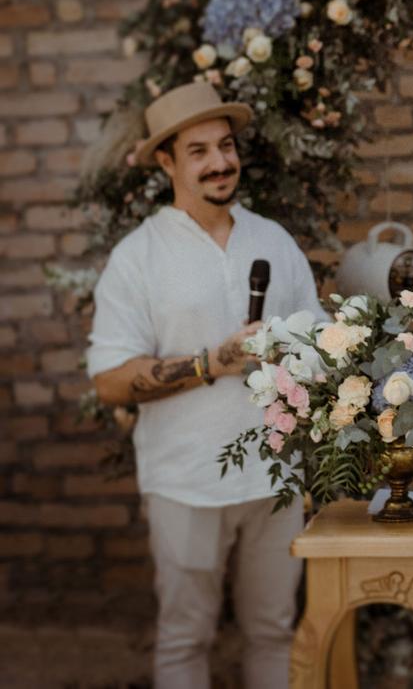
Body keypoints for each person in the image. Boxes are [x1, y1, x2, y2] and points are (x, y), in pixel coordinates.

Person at [86, 81, 326, 689]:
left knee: (273, 628)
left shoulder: (272, 239)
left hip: (275, 478)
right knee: (185, 636)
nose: (220, 162)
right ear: (166, 162)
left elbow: (322, 346)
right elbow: (110, 382)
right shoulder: (137, 258)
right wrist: (210, 363)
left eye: (225, 146)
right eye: (198, 151)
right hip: (185, 482)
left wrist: (298, 355)